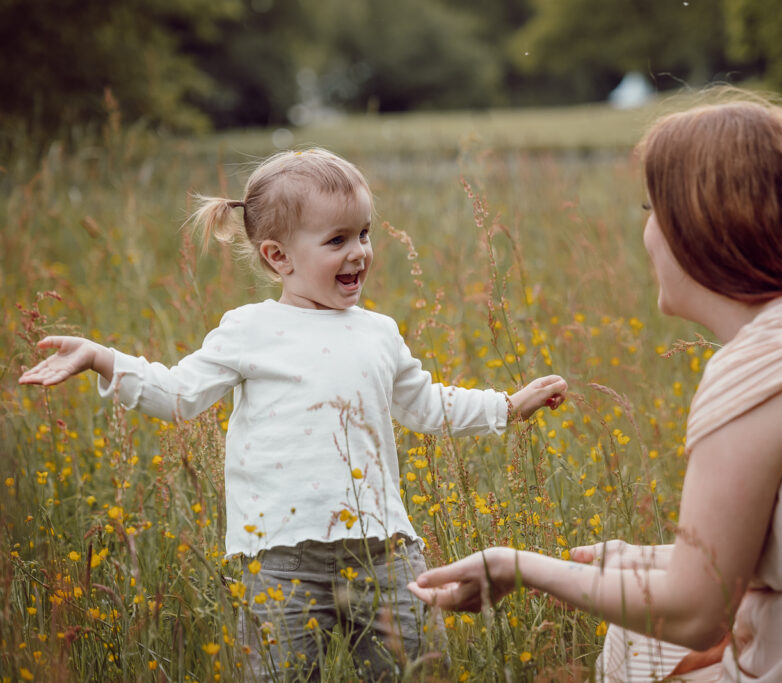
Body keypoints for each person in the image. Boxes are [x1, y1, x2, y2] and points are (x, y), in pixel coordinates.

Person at [408, 95, 782, 681]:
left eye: (651, 212)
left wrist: (516, 567)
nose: (646, 235)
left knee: (643, 643)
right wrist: (646, 559)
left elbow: (695, 612)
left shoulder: (760, 369)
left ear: (694, 227)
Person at [18, 148, 567, 682]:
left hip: (384, 554)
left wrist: (507, 407)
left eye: (364, 234)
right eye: (337, 240)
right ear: (279, 257)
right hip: (279, 559)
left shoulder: (379, 332)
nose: (359, 253)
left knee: (412, 670)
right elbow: (180, 394)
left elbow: (425, 404)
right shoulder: (248, 329)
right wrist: (100, 358)